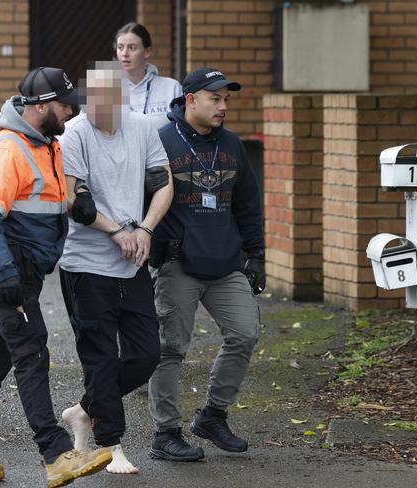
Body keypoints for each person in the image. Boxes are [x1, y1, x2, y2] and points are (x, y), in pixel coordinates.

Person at [0, 67, 112, 487]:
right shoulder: (8, 150)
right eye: (64, 105)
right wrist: (3, 277)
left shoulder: (46, 145)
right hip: (7, 274)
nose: (70, 113)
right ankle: (55, 453)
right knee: (32, 352)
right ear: (39, 106)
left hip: (23, 273)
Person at [58, 62, 174, 475]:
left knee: (146, 355)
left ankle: (85, 409)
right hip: (86, 264)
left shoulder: (142, 128)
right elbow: (75, 199)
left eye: (101, 102)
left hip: (132, 263)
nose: (91, 109)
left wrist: (144, 229)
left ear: (121, 99)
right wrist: (117, 233)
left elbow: (162, 183)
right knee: (101, 358)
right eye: (87, 101)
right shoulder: (74, 134)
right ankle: (111, 445)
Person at [146, 67, 265, 461]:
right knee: (171, 348)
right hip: (178, 263)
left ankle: (213, 416)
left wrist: (256, 255)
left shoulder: (232, 144)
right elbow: (140, 197)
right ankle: (165, 433)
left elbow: (248, 205)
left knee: (244, 333)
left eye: (226, 99)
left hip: (226, 263)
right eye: (215, 98)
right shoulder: (161, 141)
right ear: (191, 99)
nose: (223, 106)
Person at [114, 22, 182, 130]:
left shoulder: (171, 88)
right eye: (120, 47)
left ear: (147, 52)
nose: (124, 53)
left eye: (132, 48)